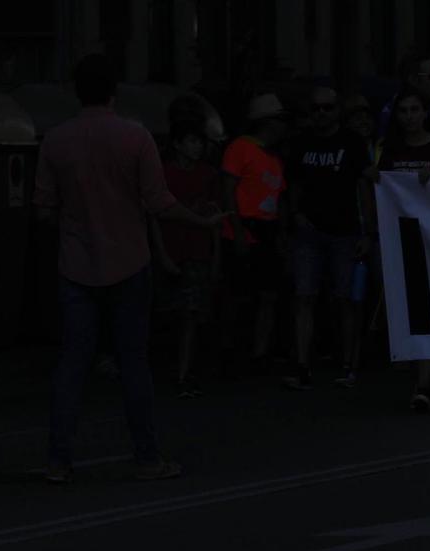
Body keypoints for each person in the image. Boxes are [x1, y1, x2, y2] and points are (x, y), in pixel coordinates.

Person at [35, 54, 223, 482]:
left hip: (77, 266)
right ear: (114, 91)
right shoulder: (135, 138)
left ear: (76, 91)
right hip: (129, 263)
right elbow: (159, 202)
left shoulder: (56, 141)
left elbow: (43, 210)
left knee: (73, 362)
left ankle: (58, 460)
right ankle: (147, 456)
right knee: (134, 362)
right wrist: (202, 221)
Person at [367, 89, 430, 411]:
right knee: (419, 310)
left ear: (425, 114)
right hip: (404, 242)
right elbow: (381, 189)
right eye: (403, 110)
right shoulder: (392, 149)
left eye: (414, 109)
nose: (409, 116)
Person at [281, 86, 371, 390]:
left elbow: (364, 187)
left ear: (337, 111)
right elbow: (293, 184)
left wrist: (367, 231)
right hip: (309, 231)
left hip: (346, 232)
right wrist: (295, 215)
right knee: (304, 296)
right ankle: (302, 364)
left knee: (345, 299)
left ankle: (349, 364)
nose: (322, 113)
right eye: (316, 108)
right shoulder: (300, 144)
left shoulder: (353, 144)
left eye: (328, 108)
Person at [158, 120, 226, 398]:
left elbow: (216, 216)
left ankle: (185, 372)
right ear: (178, 144)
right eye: (192, 141)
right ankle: (176, 368)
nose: (197, 147)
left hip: (198, 251)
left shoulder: (208, 175)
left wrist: (216, 254)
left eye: (200, 142)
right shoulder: (164, 175)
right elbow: (155, 213)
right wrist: (161, 253)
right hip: (173, 247)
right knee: (172, 312)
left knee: (191, 313)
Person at [221, 93, 288, 367]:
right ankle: (230, 352)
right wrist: (236, 231)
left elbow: (279, 199)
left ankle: (259, 352)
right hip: (244, 226)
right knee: (238, 295)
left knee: (267, 294)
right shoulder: (240, 148)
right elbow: (227, 192)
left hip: (266, 228)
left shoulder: (274, 158)